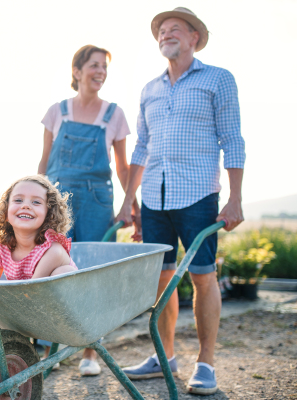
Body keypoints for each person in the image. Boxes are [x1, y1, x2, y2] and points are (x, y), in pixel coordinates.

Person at [116, 7, 246, 395]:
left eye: (175, 29)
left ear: (194, 38)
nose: (165, 34)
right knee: (161, 279)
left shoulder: (218, 80)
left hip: (198, 195)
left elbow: (232, 139)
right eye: (160, 30)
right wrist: (128, 201)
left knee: (202, 276)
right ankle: (164, 357)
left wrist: (235, 198)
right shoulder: (149, 89)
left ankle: (206, 364)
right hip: (154, 196)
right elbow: (141, 146)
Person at [37, 44, 141, 376]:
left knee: (91, 274)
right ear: (77, 71)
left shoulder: (114, 115)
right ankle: (51, 351)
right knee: (55, 272)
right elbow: (43, 162)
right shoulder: (57, 112)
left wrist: (130, 205)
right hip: (58, 202)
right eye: (94, 65)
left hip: (97, 200)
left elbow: (123, 169)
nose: (100, 72)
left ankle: (90, 354)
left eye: (105, 67)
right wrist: (33, 201)